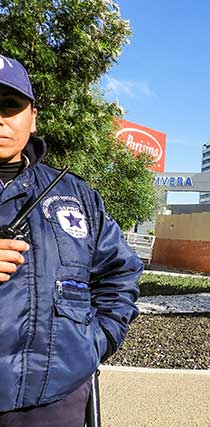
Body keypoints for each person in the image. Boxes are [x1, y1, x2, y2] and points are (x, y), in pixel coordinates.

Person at [0, 55, 142, 426]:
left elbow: (119, 273)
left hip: (55, 399)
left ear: (32, 116)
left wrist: (93, 345)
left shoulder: (76, 195)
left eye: (9, 106)